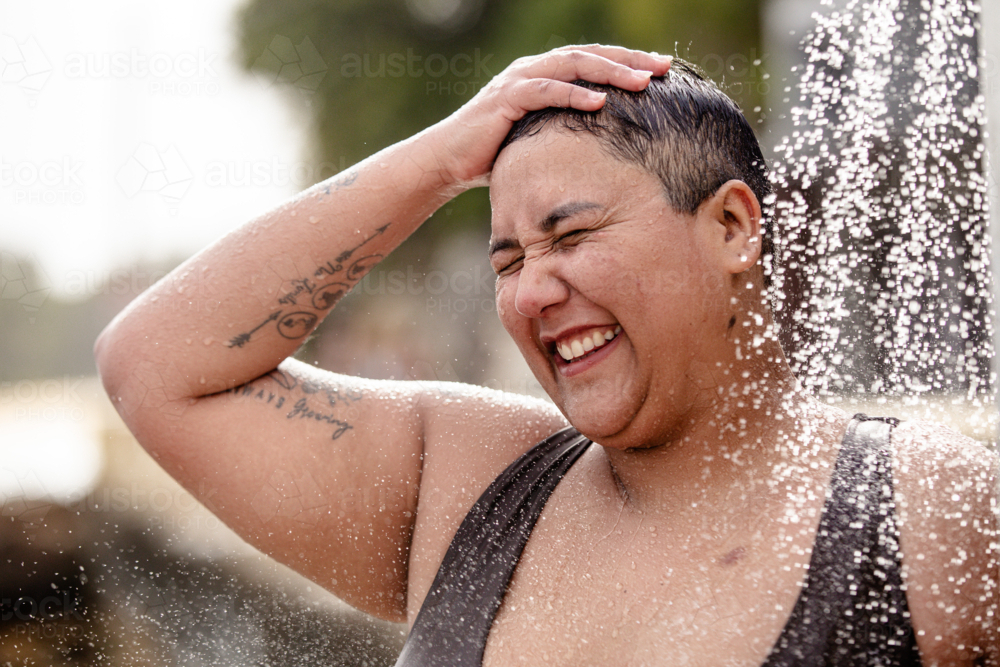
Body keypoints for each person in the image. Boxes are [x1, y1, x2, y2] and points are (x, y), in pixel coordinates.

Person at [94, 45, 998, 665]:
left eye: (571, 235)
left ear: (729, 226)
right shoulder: (463, 480)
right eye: (509, 259)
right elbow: (154, 365)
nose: (530, 293)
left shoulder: (938, 515)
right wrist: (443, 159)